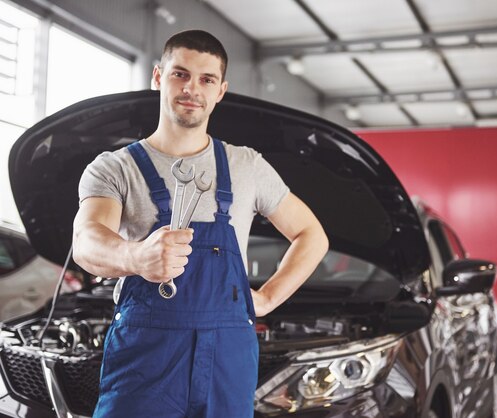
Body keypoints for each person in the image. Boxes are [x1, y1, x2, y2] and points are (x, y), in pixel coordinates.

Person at [72, 29, 328, 418]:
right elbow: (88, 241)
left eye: (206, 79)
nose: (192, 88)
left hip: (229, 354)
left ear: (220, 90)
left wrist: (268, 298)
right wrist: (136, 256)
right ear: (158, 77)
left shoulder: (247, 166)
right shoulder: (115, 168)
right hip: (147, 356)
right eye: (181, 74)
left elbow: (311, 235)